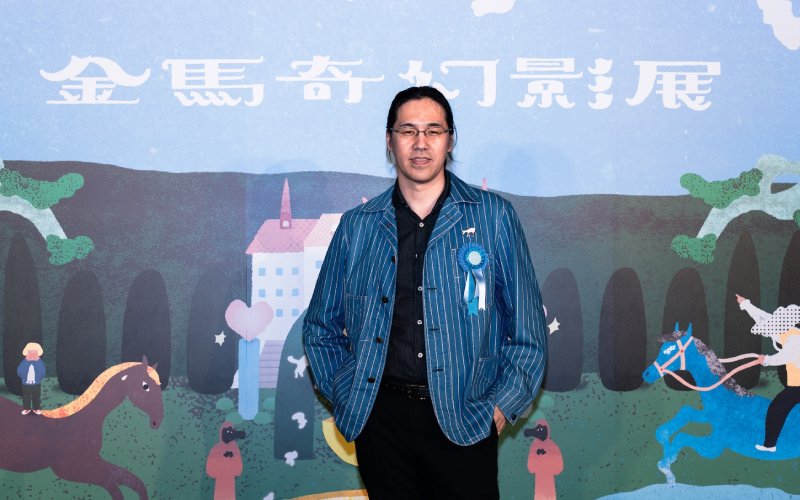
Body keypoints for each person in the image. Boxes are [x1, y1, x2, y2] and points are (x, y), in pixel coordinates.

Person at [303, 86, 548, 498]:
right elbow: (320, 328)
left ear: (450, 141)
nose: (421, 143)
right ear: (389, 141)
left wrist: (499, 406)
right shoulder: (358, 226)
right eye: (408, 131)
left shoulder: (494, 217)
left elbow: (528, 332)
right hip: (381, 421)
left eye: (434, 131)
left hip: (465, 417)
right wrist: (348, 395)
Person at [737, 294, 800, 452]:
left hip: (797, 387)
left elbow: (786, 356)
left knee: (776, 410)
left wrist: (766, 360)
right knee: (776, 409)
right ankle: (769, 444)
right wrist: (746, 304)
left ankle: (770, 444)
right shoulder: (784, 331)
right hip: (795, 386)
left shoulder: (794, 338)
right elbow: (764, 317)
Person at [17, 342, 46, 415]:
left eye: (34, 352)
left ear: (37, 353)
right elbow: (19, 371)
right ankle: (27, 408)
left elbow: (42, 371)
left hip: (36, 383)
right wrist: (23, 376)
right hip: (25, 383)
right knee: (26, 396)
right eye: (30, 352)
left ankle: (36, 408)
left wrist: (38, 378)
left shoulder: (39, 362)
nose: (32, 353)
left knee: (36, 396)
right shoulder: (24, 361)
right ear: (27, 353)